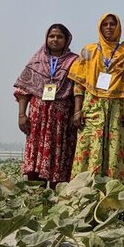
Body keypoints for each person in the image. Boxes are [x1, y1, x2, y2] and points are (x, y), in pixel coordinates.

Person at [69, 13, 124, 180]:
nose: (109, 27)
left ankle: (113, 194)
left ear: (118, 27)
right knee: (88, 146)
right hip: (92, 107)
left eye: (112, 24)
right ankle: (84, 192)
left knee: (115, 148)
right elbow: (79, 83)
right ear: (100, 27)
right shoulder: (88, 51)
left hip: (118, 109)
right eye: (105, 24)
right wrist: (77, 110)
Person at [14, 23, 79, 184]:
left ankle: (57, 195)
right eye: (52, 36)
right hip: (38, 117)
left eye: (59, 37)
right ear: (46, 38)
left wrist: (77, 112)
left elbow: (79, 89)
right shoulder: (36, 60)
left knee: (60, 154)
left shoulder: (74, 62)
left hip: (61, 119)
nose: (55, 39)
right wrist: (22, 115)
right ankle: (36, 194)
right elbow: (23, 90)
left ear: (66, 40)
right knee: (36, 155)